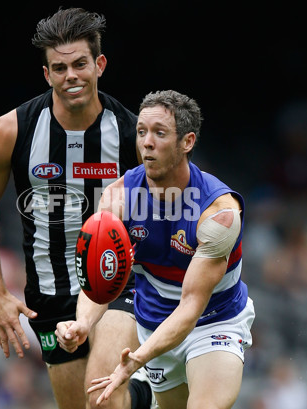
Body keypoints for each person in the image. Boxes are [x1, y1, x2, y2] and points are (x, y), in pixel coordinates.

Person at [0, 7, 153, 409]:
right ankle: (146, 399)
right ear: (47, 74)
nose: (72, 76)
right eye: (60, 67)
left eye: (80, 64)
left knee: (102, 400)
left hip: (119, 286)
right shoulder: (12, 130)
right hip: (49, 294)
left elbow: (174, 203)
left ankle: (147, 395)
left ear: (99, 65)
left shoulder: (132, 135)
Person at [57, 90, 255, 409]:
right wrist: (82, 323)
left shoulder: (218, 213)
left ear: (187, 142)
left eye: (159, 133)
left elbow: (191, 306)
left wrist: (136, 359)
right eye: (141, 132)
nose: (146, 142)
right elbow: (99, 279)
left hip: (214, 320)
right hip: (153, 320)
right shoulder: (117, 199)